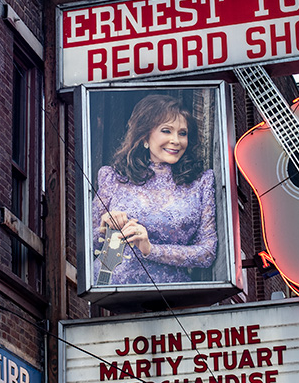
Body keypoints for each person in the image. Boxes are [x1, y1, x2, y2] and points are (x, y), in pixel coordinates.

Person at [92, 94, 217, 285]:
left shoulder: (200, 183)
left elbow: (207, 253)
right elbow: (86, 246)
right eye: (166, 131)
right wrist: (103, 228)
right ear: (144, 136)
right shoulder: (114, 178)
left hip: (173, 296)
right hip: (110, 294)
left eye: (182, 133)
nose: (176, 140)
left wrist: (150, 249)